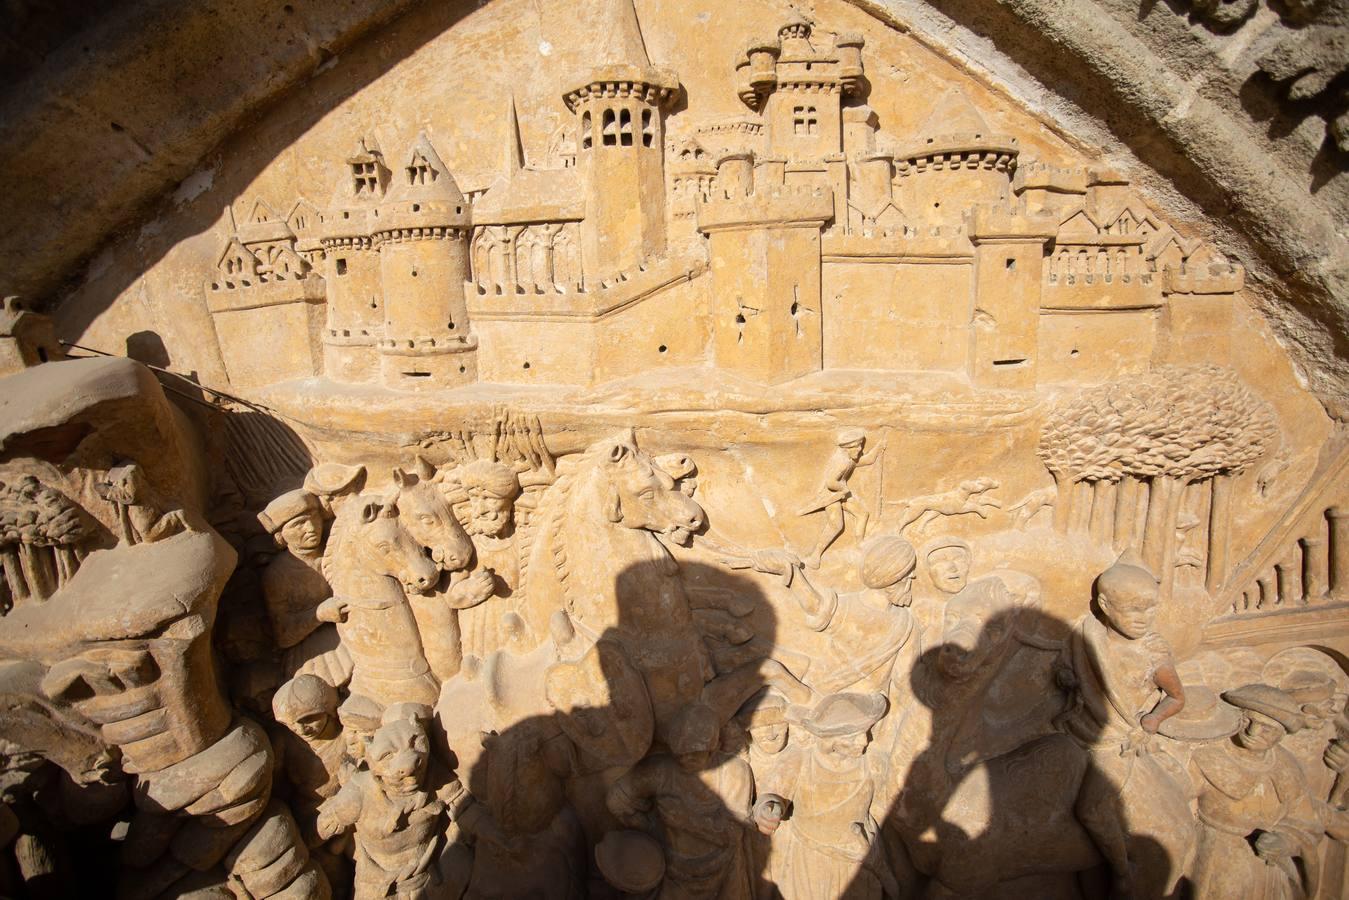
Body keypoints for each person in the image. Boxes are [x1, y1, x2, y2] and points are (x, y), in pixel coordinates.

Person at [1057, 553, 1187, 899]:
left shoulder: (1153, 655)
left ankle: (1122, 867)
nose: (1145, 619)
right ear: (1105, 605)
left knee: (1092, 809)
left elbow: (1176, 698)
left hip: (1114, 741)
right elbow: (1069, 672)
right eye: (1134, 610)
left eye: (1150, 609)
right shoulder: (1086, 636)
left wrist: (1152, 720)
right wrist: (1068, 678)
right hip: (1076, 728)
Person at [606, 704, 757, 899]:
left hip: (723, 869)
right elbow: (616, 800)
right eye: (680, 754)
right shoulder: (660, 770)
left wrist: (683, 822)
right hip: (671, 870)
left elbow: (733, 835)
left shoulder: (734, 772)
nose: (686, 759)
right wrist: (646, 827)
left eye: (695, 754)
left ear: (714, 748)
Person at [1189, 684, 1325, 899]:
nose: (1252, 731)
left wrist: (1285, 842)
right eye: (1248, 720)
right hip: (1216, 856)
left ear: (1281, 735)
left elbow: (1306, 823)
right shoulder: (1208, 757)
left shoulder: (1287, 768)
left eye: (1267, 728)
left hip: (1266, 867)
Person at [758, 692, 896, 900]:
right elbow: (773, 794)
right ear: (829, 738)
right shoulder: (801, 759)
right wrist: (769, 807)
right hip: (809, 858)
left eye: (865, 731)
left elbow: (889, 806)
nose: (863, 741)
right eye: (852, 735)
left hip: (856, 857)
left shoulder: (873, 763)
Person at [796, 429, 885, 569]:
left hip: (841, 494)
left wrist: (878, 447)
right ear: (847, 448)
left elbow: (867, 460)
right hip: (830, 496)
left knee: (862, 514)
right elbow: (830, 482)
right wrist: (844, 489)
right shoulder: (841, 461)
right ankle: (815, 556)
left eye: (861, 445)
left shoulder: (850, 459)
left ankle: (859, 544)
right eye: (857, 447)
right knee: (836, 525)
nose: (860, 449)